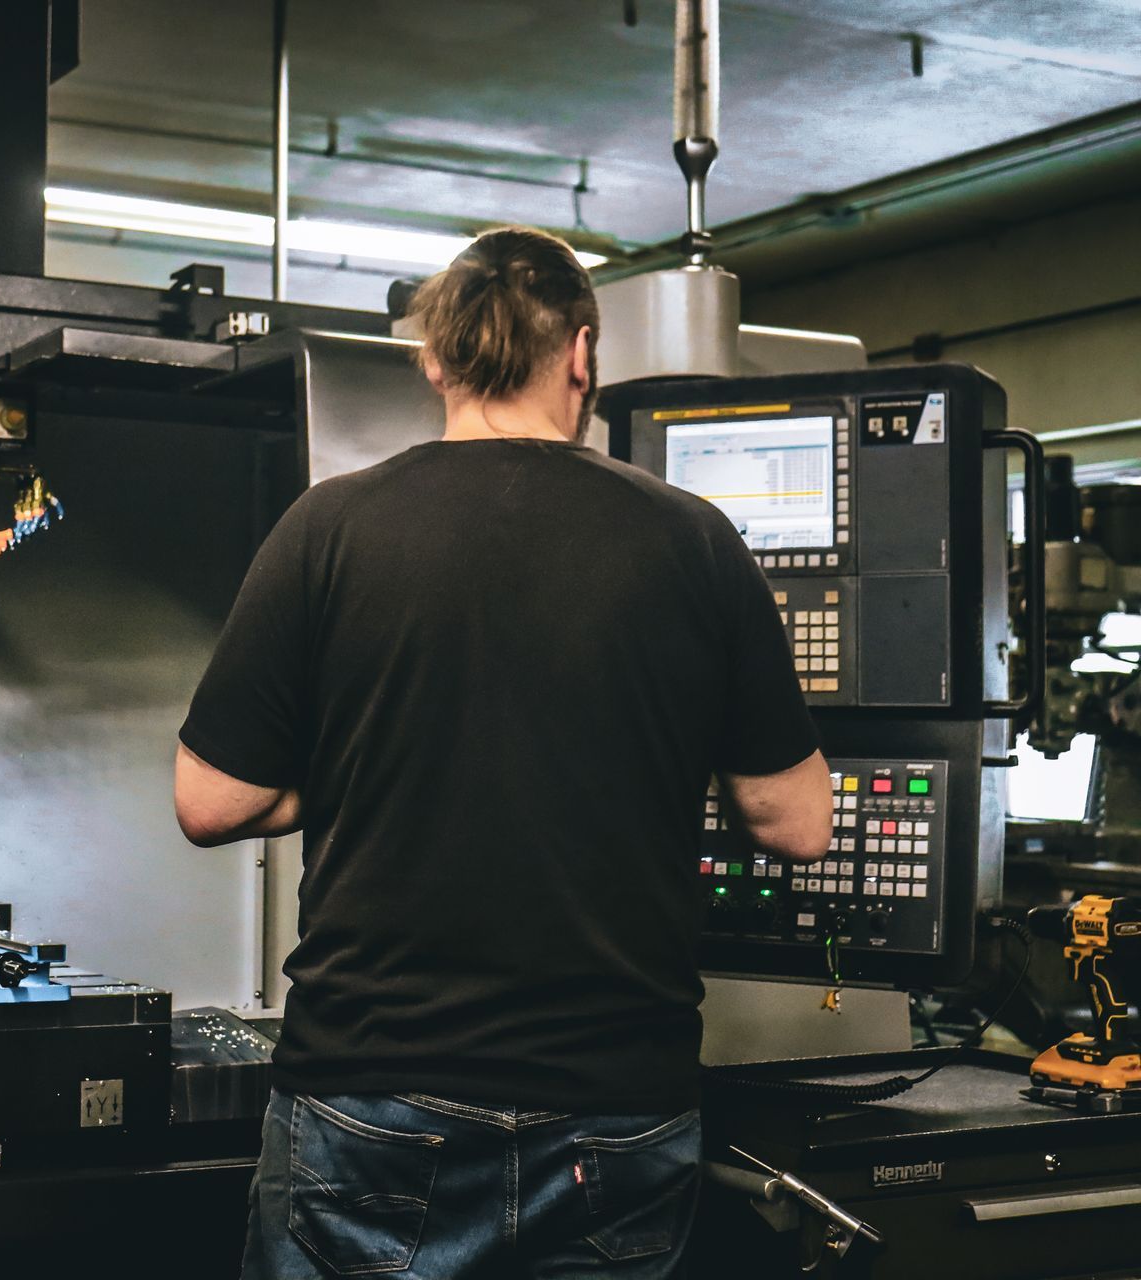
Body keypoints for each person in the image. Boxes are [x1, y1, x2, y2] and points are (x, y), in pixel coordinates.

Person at [173, 226, 832, 1278]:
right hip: (617, 1105)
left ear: (435, 360)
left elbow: (212, 801)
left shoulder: (328, 527)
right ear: (582, 353)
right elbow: (795, 822)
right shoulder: (696, 539)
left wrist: (364, 759)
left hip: (373, 1092)